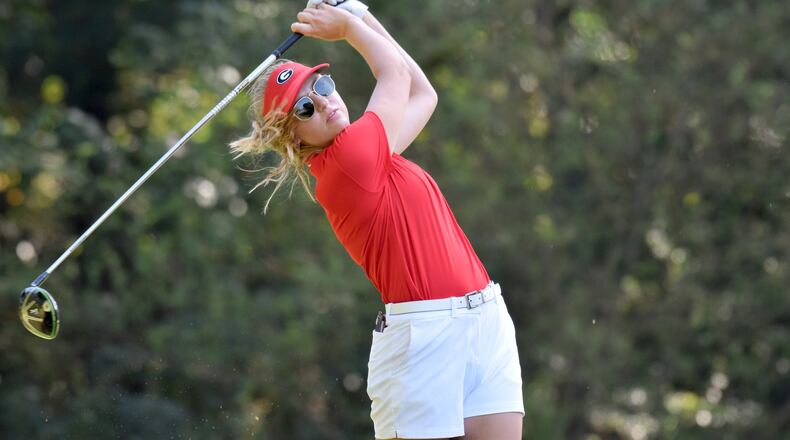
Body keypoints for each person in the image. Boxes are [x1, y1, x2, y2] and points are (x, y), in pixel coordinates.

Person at [229, 1, 524, 439]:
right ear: (293, 136)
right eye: (304, 109)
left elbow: (424, 94)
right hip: (423, 340)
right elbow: (396, 76)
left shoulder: (372, 153)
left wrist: (361, 15)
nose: (324, 102)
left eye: (322, 84)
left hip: (483, 319)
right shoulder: (349, 162)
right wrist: (348, 26)